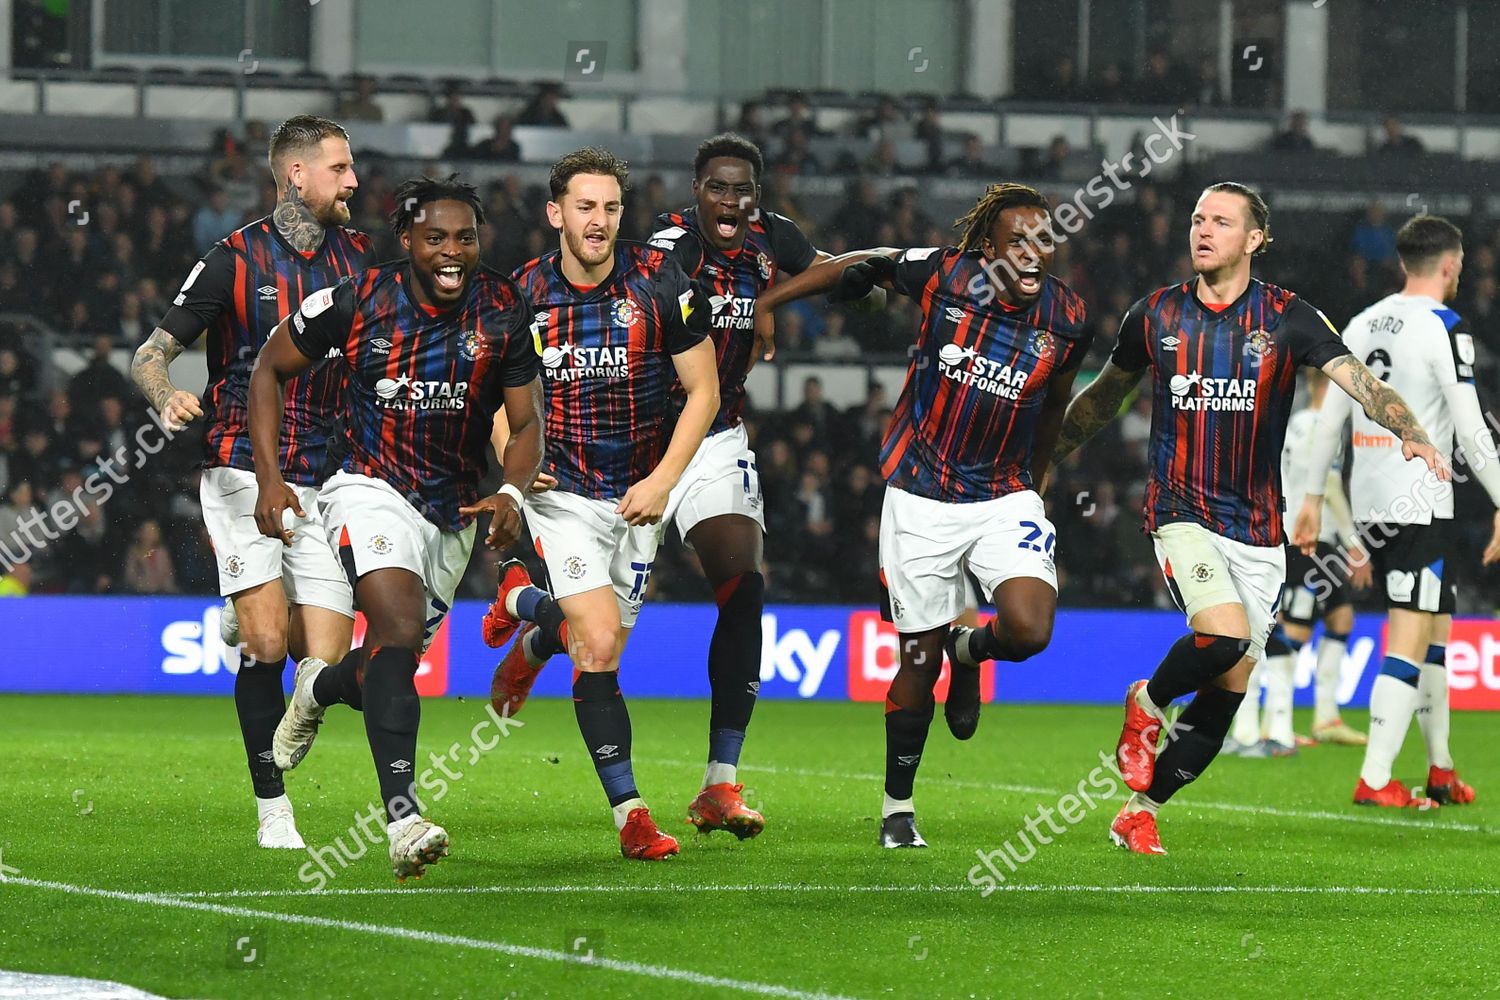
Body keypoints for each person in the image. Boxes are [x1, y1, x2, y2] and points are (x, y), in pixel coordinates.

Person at [1052, 182, 1445, 855]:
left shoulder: (1290, 318)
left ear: (1256, 239)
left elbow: (1359, 382)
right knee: (1225, 638)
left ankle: (1139, 810)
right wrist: (1043, 454)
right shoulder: (1155, 316)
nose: (1202, 230)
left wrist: (1409, 429)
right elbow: (1103, 399)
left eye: (1222, 222)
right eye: (1198, 218)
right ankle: (1145, 703)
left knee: (1225, 700)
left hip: (1261, 532)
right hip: (1181, 512)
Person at [756, 183, 1093, 848]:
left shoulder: (1069, 316)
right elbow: (858, 263)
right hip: (920, 494)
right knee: (917, 659)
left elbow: (1054, 402)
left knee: (1028, 630)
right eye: (1016, 241)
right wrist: (769, 301)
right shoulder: (945, 275)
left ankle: (973, 649)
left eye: (1043, 240)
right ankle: (897, 809)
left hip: (1003, 494)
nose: (1032, 254)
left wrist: (1042, 471)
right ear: (987, 249)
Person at [251, 173, 543, 881]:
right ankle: (403, 820)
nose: (452, 252)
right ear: (407, 239)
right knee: (399, 628)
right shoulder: (358, 300)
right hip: (366, 487)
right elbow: (267, 369)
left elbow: (528, 422)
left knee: (391, 659)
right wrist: (269, 477)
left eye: (465, 238)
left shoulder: (503, 308)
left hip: (454, 511)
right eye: (436, 237)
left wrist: (511, 488)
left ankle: (319, 689)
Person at [130, 115, 370, 850]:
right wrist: (165, 391)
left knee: (323, 660)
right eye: (339, 167)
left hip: (324, 476)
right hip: (241, 466)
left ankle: (250, 611)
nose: (353, 180)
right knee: (266, 644)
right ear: (296, 176)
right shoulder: (233, 259)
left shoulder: (359, 258)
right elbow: (149, 351)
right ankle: (274, 807)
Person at [481, 147, 718, 861]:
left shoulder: (661, 285)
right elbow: (492, 394)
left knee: (595, 641)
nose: (599, 220)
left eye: (611, 207)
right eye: (585, 206)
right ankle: (632, 816)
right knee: (601, 647)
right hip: (564, 496)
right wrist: (513, 461)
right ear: (557, 213)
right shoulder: (520, 295)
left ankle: (526, 615)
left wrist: (665, 483)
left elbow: (703, 392)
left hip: (639, 498)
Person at [624, 132, 826, 839]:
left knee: (745, 588)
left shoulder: (776, 240)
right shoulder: (669, 248)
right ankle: (529, 623)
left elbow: (848, 271)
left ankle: (720, 783)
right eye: (717, 187)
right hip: (640, 447)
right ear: (696, 192)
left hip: (715, 443)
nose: (730, 200)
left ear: (759, 197)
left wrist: (777, 293)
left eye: (743, 189)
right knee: (598, 633)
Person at [1295, 214, 1500, 808]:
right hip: (1420, 503)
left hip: (1372, 501)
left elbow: (1330, 419)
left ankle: (1440, 766)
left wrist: (1311, 498)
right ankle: (1377, 778)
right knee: (1409, 636)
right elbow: (1472, 432)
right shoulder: (1445, 324)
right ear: (1450, 265)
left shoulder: (1361, 321)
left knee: (1436, 631)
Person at [1226, 368, 1371, 757]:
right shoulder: (1317, 426)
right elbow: (1323, 488)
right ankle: (1270, 726)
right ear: (1328, 387)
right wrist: (1356, 544)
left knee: (1340, 619)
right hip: (1305, 541)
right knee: (1291, 631)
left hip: (1315, 543)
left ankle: (1323, 716)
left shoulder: (1302, 424)